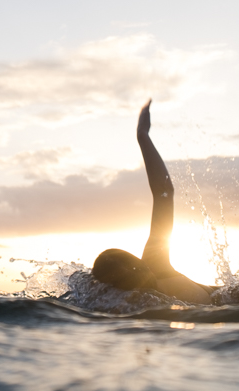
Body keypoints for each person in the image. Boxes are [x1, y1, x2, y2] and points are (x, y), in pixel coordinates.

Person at [91, 101, 214, 304]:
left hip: (238, 304)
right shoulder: (129, 297)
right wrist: (142, 136)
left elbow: (163, 193)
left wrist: (143, 137)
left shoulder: (154, 267)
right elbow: (164, 193)